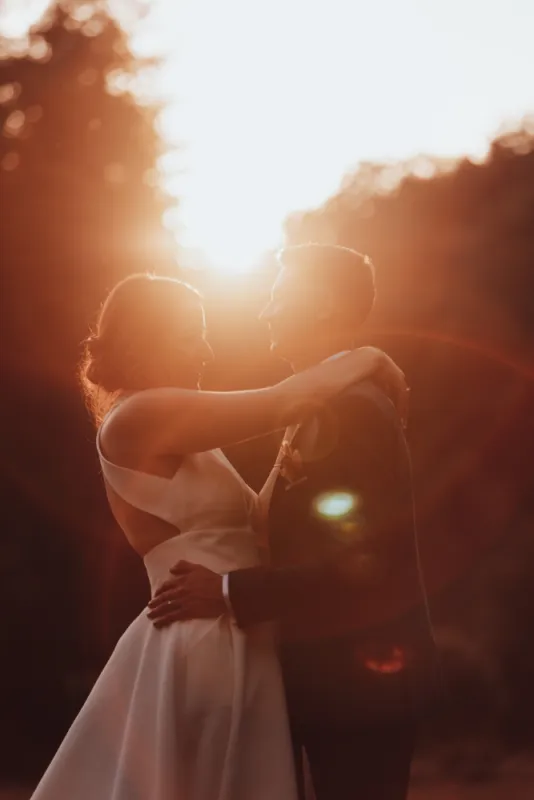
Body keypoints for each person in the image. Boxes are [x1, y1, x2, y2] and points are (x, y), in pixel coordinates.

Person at [29, 271, 408, 800]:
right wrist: (368, 357)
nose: (206, 351)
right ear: (146, 339)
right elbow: (282, 402)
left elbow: (255, 516)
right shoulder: (141, 415)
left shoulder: (181, 426)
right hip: (206, 639)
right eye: (191, 334)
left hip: (239, 626)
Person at [148, 244, 437, 800]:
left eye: (279, 296)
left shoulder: (354, 410)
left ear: (324, 304)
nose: (266, 312)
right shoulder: (326, 402)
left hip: (362, 686)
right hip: (325, 680)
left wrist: (227, 590)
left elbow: (360, 565)